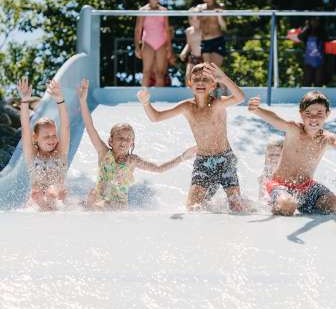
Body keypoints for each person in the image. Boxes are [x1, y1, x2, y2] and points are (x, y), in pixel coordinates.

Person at [137, 63, 245, 211]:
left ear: (213, 84)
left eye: (205, 79)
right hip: (203, 161)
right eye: (196, 79)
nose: (200, 82)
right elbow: (156, 117)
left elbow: (240, 98)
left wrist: (224, 79)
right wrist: (145, 103)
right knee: (192, 208)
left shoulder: (217, 104)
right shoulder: (187, 107)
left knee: (236, 206)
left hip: (224, 159)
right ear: (190, 83)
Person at [78, 79, 196, 209]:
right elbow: (90, 127)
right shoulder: (103, 152)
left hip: (118, 206)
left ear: (132, 144)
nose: (124, 141)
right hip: (100, 201)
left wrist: (183, 157)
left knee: (99, 204)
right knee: (86, 200)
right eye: (120, 137)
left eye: (128, 139)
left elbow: (159, 168)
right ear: (110, 141)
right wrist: (83, 101)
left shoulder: (132, 160)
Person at [248, 91, 336, 215]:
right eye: (308, 113)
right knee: (288, 205)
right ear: (301, 114)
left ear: (327, 114)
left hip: (307, 186)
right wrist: (257, 110)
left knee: (332, 203)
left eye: (319, 113)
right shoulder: (295, 130)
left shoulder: (327, 138)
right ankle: (274, 202)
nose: (313, 118)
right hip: (280, 184)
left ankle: (304, 205)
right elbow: (276, 119)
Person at [17, 77, 70, 211]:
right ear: (35, 138)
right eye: (46, 136)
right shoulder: (32, 155)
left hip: (58, 199)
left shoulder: (60, 153)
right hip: (38, 200)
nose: (51, 139)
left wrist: (60, 100)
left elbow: (65, 126)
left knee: (54, 191)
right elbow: (25, 127)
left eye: (53, 135)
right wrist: (24, 101)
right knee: (35, 194)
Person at [134, 0, 173, 87]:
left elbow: (167, 30)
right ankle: (143, 99)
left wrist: (169, 47)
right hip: (148, 43)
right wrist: (137, 47)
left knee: (160, 73)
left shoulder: (164, 10)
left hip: (161, 43)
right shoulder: (143, 10)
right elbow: (138, 30)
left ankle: (160, 101)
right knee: (146, 72)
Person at [196, 0, 227, 67]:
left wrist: (219, 16)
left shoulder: (220, 6)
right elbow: (195, 26)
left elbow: (224, 27)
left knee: (214, 71)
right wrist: (195, 14)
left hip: (217, 41)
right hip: (204, 42)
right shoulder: (199, 8)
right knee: (208, 73)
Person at [298, 17, 328, 87]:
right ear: (310, 21)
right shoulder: (307, 30)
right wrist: (306, 27)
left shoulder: (322, 31)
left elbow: (326, 39)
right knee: (306, 81)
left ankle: (318, 97)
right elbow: (300, 37)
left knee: (318, 82)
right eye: (313, 20)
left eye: (317, 21)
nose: (315, 22)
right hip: (308, 60)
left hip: (319, 60)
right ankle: (306, 97)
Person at [179, 10, 203, 82]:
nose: (195, 21)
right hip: (193, 57)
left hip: (204, 57)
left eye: (197, 19)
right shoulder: (188, 31)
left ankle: (222, 90)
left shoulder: (203, 30)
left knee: (207, 76)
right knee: (188, 76)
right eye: (191, 19)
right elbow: (189, 44)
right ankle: (189, 92)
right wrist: (184, 52)